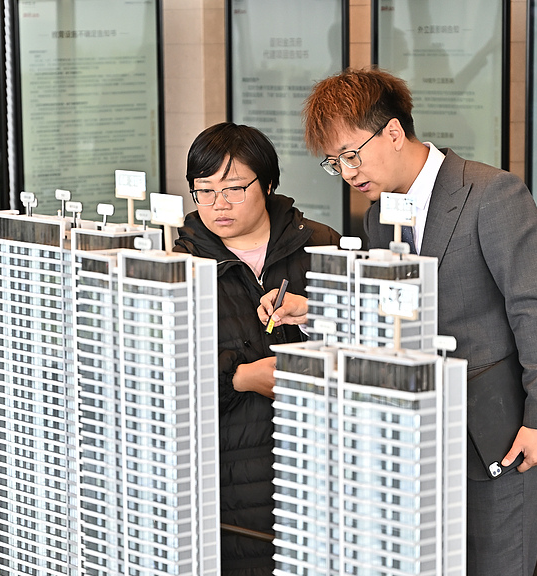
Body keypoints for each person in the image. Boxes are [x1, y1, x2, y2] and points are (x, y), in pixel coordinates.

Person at [301, 67, 537, 576]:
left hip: (496, 429)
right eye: (335, 163)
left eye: (352, 155)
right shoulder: (379, 215)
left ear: (393, 132)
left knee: (499, 564)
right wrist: (319, 310)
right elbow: (393, 314)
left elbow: (533, 309)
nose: (348, 172)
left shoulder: (491, 193)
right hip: (416, 434)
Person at [173, 123, 339, 575]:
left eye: (233, 189)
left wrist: (316, 314)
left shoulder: (321, 244)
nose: (218, 204)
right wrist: (240, 377)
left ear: (267, 184)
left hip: (321, 460)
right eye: (204, 191)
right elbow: (158, 378)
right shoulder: (179, 265)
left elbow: (372, 342)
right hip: (230, 475)